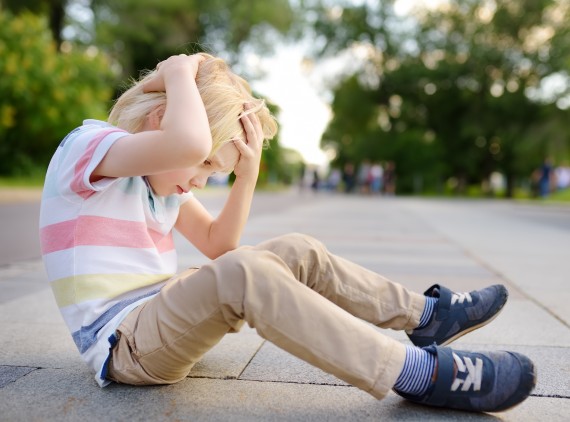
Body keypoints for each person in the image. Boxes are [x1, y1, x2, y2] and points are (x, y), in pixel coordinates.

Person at [39, 53, 535, 413]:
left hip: (161, 319)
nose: (198, 181)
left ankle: (426, 315)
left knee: (295, 250)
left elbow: (219, 244)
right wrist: (176, 70)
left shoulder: (158, 184)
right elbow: (187, 146)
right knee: (244, 273)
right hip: (126, 345)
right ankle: (416, 374)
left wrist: (247, 174)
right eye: (207, 165)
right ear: (162, 119)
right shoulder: (89, 148)